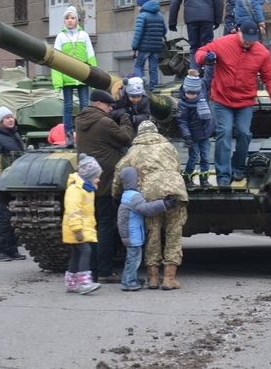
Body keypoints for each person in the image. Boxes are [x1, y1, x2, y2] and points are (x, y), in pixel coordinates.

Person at [195, 20, 271, 189]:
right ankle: (223, 175)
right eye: (246, 38)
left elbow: (270, 78)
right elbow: (201, 52)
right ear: (239, 32)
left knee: (244, 133)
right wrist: (205, 58)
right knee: (224, 132)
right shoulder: (223, 43)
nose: (249, 41)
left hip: (245, 100)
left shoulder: (261, 53)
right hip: (222, 98)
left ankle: (238, 167)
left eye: (252, 38)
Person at [113, 121, 189, 290]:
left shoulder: (134, 150)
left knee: (152, 235)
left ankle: (153, 279)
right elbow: (178, 167)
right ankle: (169, 278)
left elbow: (120, 172)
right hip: (175, 191)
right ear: (156, 132)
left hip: (150, 196)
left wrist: (116, 193)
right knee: (173, 235)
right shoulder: (169, 147)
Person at [75, 89, 134, 283]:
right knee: (106, 228)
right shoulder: (104, 122)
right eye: (109, 106)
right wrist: (125, 118)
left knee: (91, 226)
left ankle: (90, 269)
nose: (110, 109)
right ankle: (104, 270)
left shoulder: (81, 120)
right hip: (106, 183)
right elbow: (125, 138)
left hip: (88, 184)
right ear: (99, 104)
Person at [117, 166, 175, 291]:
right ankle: (128, 282)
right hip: (133, 235)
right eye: (138, 178)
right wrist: (164, 204)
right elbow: (146, 209)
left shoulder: (127, 195)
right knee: (133, 260)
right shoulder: (134, 196)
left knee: (133, 258)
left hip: (131, 234)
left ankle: (133, 279)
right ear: (134, 181)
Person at [52, 6, 96, 148]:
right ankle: (68, 133)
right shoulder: (60, 37)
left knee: (85, 105)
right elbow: (56, 60)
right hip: (67, 77)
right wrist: (58, 82)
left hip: (83, 76)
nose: (70, 21)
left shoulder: (84, 36)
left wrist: (94, 77)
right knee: (68, 105)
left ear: (77, 20)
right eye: (67, 18)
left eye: (72, 18)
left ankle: (84, 131)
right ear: (64, 21)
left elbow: (91, 55)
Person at [0, 107, 27, 262]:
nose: (11, 120)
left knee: (14, 217)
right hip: (4, 183)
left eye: (12, 117)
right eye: (6, 118)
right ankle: (0, 249)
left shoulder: (14, 134)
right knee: (5, 217)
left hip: (16, 180)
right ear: (0, 121)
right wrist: (2, 178)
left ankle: (12, 248)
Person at [167, 0, 224, 69]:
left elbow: (175, 2)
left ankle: (195, 75)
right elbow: (219, 0)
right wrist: (217, 19)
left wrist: (172, 22)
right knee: (207, 46)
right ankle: (208, 73)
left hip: (191, 18)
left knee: (194, 47)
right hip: (207, 17)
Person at [62, 154, 103, 295]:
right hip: (76, 229)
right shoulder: (75, 189)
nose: (98, 180)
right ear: (89, 176)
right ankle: (85, 283)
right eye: (97, 177)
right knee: (86, 251)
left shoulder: (86, 188)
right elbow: (73, 210)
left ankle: (71, 283)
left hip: (81, 227)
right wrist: (77, 229)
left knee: (76, 255)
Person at [177, 70, 214, 189]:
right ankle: (187, 178)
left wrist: (209, 132)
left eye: (193, 94)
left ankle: (204, 179)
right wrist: (187, 136)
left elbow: (209, 120)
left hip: (204, 135)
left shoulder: (202, 100)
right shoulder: (183, 104)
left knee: (205, 157)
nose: (190, 96)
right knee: (193, 158)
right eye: (188, 93)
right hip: (192, 136)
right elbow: (182, 121)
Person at [132, 0, 167, 91]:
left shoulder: (142, 16)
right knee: (153, 68)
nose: (138, 8)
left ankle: (139, 87)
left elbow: (138, 34)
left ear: (142, 5)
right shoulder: (160, 16)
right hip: (156, 47)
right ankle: (153, 87)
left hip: (144, 47)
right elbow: (164, 30)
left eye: (138, 5)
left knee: (139, 65)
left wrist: (134, 47)